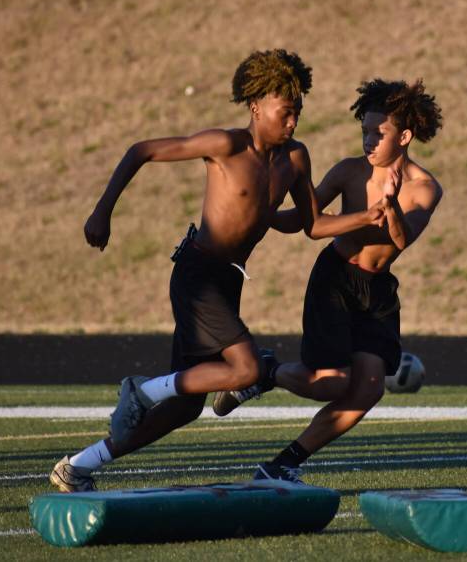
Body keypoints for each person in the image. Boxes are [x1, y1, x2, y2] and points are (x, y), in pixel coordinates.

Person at [49, 49, 386, 492]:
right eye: (285, 112)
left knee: (185, 409)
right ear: (255, 107)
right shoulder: (226, 145)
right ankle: (143, 390)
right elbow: (141, 151)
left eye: (298, 112)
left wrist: (364, 218)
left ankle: (78, 466)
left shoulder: (296, 158)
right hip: (197, 274)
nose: (293, 122)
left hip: (228, 281)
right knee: (246, 370)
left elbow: (313, 225)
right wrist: (101, 212)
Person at [212, 78, 443, 483]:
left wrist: (389, 208)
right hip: (335, 279)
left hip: (378, 291)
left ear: (405, 136)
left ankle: (281, 465)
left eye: (379, 133)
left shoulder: (425, 188)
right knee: (332, 384)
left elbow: (402, 240)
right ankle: (265, 373)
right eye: (365, 131)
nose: (369, 140)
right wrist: (259, 213)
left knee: (368, 390)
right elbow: (305, 219)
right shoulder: (349, 172)